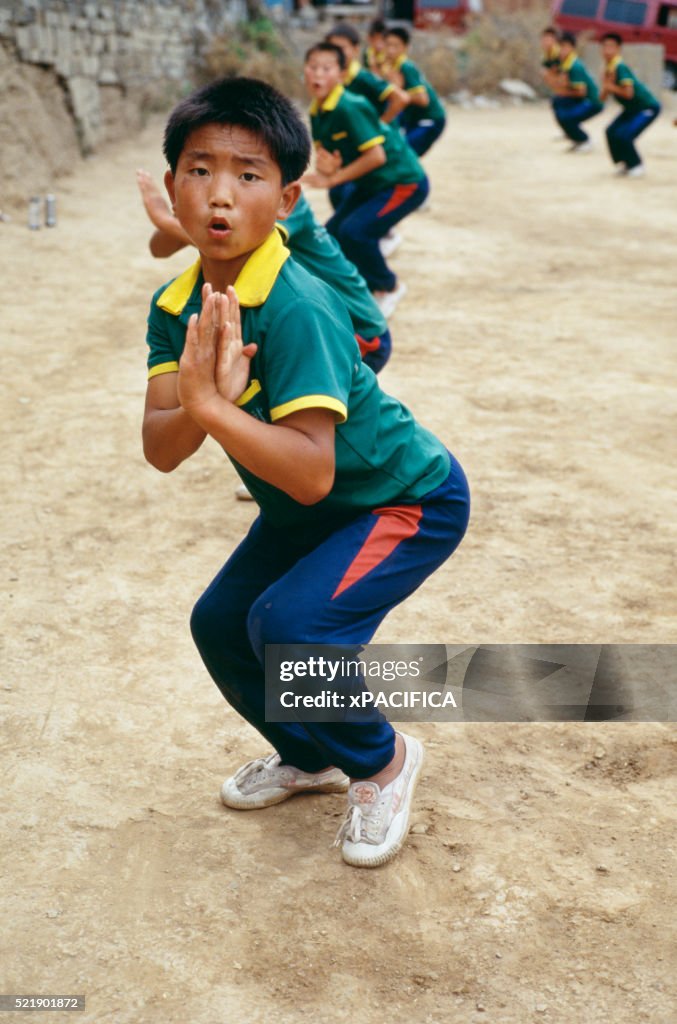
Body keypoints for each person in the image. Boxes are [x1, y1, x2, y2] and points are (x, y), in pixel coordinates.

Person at [142, 75, 470, 868]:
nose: (220, 195)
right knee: (220, 625)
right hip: (305, 510)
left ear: (286, 198)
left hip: (401, 501)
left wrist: (216, 409)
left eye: (248, 175)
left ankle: (381, 762)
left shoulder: (298, 305)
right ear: (170, 189)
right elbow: (160, 445)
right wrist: (198, 403)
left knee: (291, 628)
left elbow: (316, 473)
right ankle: (310, 753)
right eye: (199, 169)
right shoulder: (175, 303)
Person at [137, 172, 392, 374]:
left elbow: (240, 246)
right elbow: (159, 249)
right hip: (307, 326)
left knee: (314, 428)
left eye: (247, 173)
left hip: (357, 330)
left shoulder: (278, 198)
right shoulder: (222, 195)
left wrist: (164, 218)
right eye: (202, 169)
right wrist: (178, 213)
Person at [303, 42, 429, 318]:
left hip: (402, 182)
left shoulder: (350, 105)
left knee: (356, 232)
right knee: (333, 232)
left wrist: (335, 178)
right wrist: (327, 171)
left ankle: (388, 286)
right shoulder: (317, 110)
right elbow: (329, 160)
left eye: (326, 68)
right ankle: (351, 292)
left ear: (341, 73)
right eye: (312, 67)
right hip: (373, 184)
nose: (318, 75)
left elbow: (376, 157)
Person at [599, 32, 661, 178]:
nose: (607, 50)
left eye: (611, 46)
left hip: (647, 107)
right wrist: (606, 88)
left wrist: (610, 87)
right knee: (611, 131)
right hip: (632, 109)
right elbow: (603, 96)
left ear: (618, 49)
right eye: (605, 46)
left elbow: (628, 93)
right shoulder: (607, 68)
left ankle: (636, 165)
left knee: (625, 135)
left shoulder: (620, 67)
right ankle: (625, 163)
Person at [382, 26, 446, 157]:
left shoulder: (406, 67)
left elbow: (422, 99)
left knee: (405, 157)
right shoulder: (391, 67)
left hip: (429, 120)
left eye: (396, 46)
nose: (390, 50)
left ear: (405, 48)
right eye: (388, 45)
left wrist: (399, 92)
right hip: (414, 121)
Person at [326, 23, 408, 124]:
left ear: (355, 49)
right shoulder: (333, 79)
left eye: (342, 48)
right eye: (331, 48)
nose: (336, 53)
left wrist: (379, 126)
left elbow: (401, 98)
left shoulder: (363, 77)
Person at [550, 32, 603, 153]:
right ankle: (573, 136)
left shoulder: (575, 65)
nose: (562, 50)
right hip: (583, 99)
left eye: (566, 47)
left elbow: (581, 92)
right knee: (557, 102)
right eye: (560, 46)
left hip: (593, 102)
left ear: (572, 48)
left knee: (566, 116)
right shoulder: (565, 63)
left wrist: (563, 92)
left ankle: (584, 140)